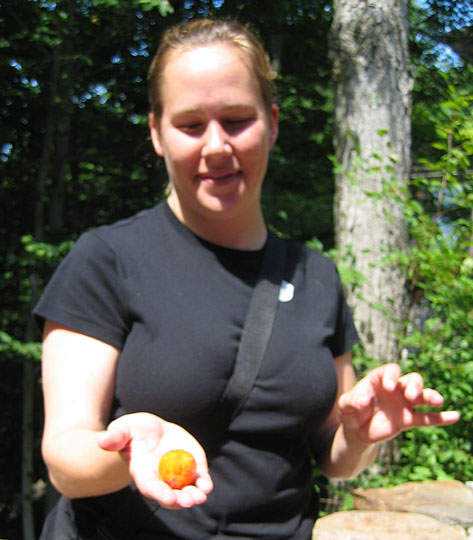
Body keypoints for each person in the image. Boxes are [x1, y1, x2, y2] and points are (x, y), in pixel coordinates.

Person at [34, 18, 460, 540]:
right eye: (190, 125)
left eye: (237, 119)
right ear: (156, 133)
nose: (216, 146)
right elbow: (65, 460)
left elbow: (333, 457)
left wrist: (357, 434)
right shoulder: (107, 259)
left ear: (272, 122)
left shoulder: (317, 276)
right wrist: (130, 451)